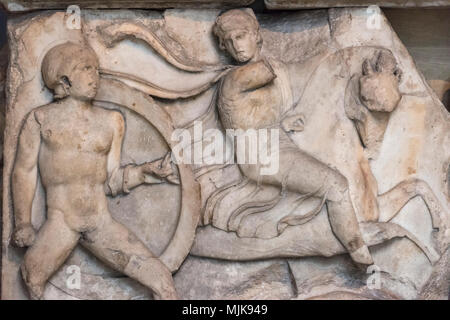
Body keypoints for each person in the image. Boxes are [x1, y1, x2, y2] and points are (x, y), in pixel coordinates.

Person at [12, 42, 179, 299]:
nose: (95, 77)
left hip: (100, 222)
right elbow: (24, 171)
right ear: (63, 78)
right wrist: (23, 222)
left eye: (97, 70)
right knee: (32, 276)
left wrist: (147, 171)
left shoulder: (112, 121)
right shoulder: (40, 119)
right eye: (86, 69)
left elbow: (112, 180)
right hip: (61, 223)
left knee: (162, 279)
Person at [213, 9, 374, 267]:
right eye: (229, 41)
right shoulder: (237, 77)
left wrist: (281, 122)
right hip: (262, 157)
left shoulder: (262, 74)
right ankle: (360, 254)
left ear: (255, 36)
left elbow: (257, 113)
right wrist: (337, 47)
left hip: (278, 144)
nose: (236, 45)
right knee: (336, 184)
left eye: (241, 36)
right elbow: (283, 71)